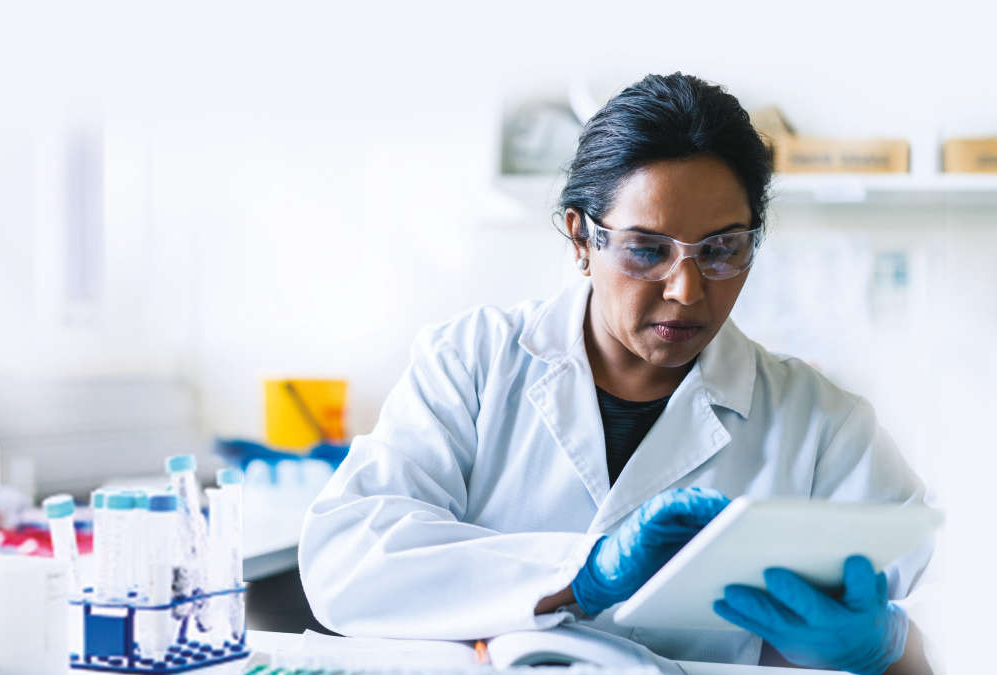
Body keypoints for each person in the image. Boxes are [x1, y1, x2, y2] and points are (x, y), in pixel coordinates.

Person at [298, 73, 935, 674]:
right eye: (646, 249)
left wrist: (890, 645)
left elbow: (930, 595)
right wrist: (584, 571)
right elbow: (347, 558)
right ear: (581, 239)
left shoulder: (821, 421)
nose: (686, 289)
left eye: (721, 249)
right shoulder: (472, 362)